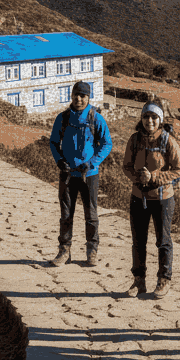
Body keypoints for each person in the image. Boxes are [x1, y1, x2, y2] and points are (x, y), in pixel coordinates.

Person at [122, 102, 180, 297]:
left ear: (161, 120)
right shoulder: (134, 140)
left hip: (163, 199)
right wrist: (138, 178)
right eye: (146, 117)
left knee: (163, 241)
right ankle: (138, 281)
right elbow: (126, 166)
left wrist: (155, 177)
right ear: (141, 119)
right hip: (138, 196)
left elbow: (178, 169)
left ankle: (164, 280)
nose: (150, 121)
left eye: (154, 117)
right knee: (138, 241)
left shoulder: (168, 141)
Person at [49, 81, 113, 267]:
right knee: (66, 215)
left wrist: (92, 163)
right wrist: (59, 160)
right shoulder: (63, 118)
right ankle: (64, 251)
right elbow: (54, 142)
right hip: (68, 174)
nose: (79, 99)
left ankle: (92, 250)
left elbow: (106, 143)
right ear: (71, 96)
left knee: (91, 214)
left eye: (83, 96)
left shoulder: (96, 118)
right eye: (76, 95)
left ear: (88, 97)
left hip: (89, 175)